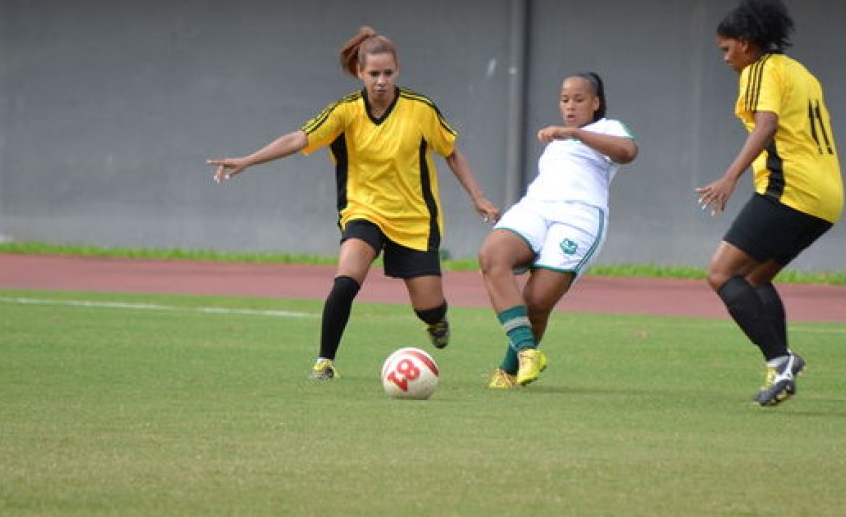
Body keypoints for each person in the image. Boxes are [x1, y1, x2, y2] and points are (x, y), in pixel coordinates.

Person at [207, 27, 500, 380]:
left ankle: (436, 321)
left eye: (387, 73)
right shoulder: (345, 112)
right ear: (360, 73)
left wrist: (478, 196)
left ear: (397, 70)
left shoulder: (420, 110)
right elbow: (299, 138)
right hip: (364, 211)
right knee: (346, 280)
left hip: (415, 219)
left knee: (429, 308)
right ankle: (324, 361)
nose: (380, 81)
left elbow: (452, 153)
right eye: (373, 74)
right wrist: (247, 160)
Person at [696, 0, 845, 406]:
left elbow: (767, 125)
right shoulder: (800, 72)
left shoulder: (759, 70)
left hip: (791, 189)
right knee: (755, 278)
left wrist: (730, 177)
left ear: (745, 42)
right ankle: (783, 365)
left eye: (727, 49)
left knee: (722, 274)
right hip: (826, 196)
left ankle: (780, 361)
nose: (725, 58)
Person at [478, 72, 638, 388]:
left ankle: (508, 372)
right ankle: (527, 352)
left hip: (579, 217)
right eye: (565, 99)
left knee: (537, 300)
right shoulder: (555, 143)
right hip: (536, 207)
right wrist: (567, 135)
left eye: (579, 99)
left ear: (596, 102)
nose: (570, 105)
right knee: (492, 254)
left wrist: (576, 134)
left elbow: (628, 152)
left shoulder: (607, 128)